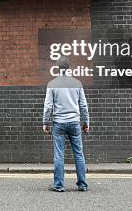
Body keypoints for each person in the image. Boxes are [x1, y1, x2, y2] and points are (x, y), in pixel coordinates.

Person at [42, 57, 90, 192]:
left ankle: (58, 185)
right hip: (75, 122)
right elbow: (83, 105)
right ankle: (82, 184)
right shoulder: (77, 83)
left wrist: (45, 121)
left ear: (57, 68)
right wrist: (86, 122)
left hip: (59, 124)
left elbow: (48, 106)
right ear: (69, 68)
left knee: (59, 154)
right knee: (79, 154)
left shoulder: (52, 84)